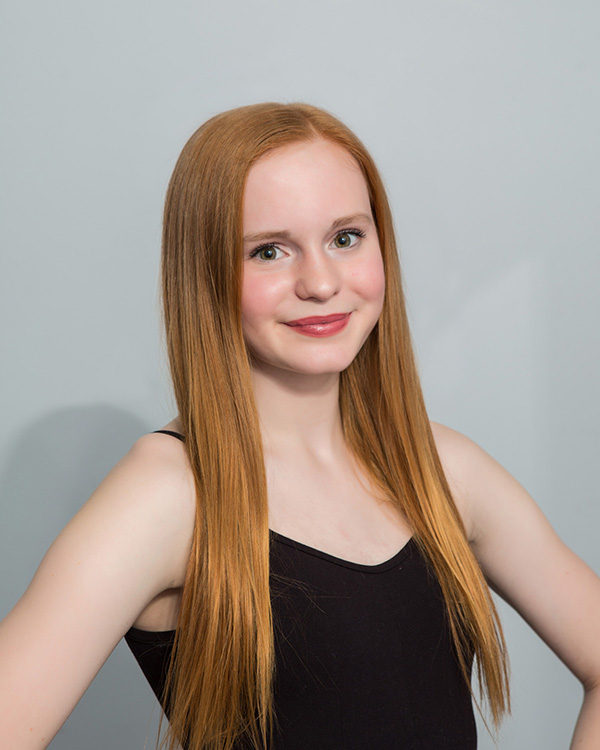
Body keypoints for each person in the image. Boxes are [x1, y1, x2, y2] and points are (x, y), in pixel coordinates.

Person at [1, 102, 599, 750]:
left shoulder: (444, 469)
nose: (319, 282)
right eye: (268, 251)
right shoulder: (168, 496)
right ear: (205, 274)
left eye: (345, 238)